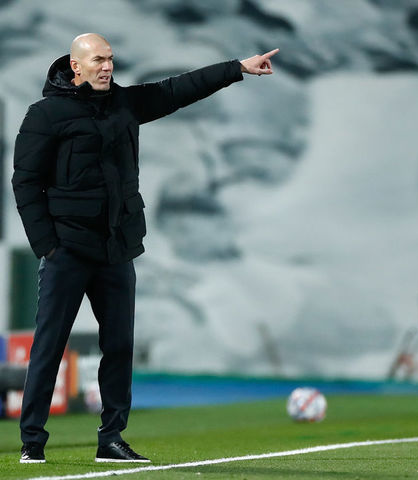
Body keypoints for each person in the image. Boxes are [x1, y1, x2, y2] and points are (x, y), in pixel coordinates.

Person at [12, 32, 278, 464]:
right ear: (75, 67)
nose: (107, 66)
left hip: (117, 249)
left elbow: (177, 89)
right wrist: (49, 246)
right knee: (50, 346)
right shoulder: (45, 115)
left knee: (118, 347)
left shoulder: (124, 105)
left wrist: (237, 69)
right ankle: (32, 442)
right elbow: (25, 183)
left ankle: (111, 439)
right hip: (68, 250)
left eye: (111, 59)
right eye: (98, 60)